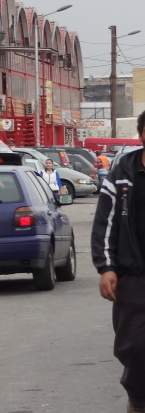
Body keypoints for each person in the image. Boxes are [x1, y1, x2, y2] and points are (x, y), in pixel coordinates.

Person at [91, 110, 145, 413]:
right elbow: (106, 223)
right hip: (134, 273)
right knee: (135, 346)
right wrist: (107, 266)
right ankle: (138, 399)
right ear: (141, 135)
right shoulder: (123, 172)